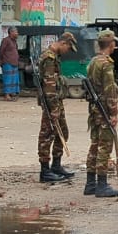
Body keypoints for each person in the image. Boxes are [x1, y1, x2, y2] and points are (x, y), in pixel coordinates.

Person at [83, 30, 118, 198]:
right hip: (104, 109)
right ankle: (102, 184)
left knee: (94, 144)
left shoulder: (93, 61)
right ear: (111, 44)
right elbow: (109, 90)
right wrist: (114, 113)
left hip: (94, 109)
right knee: (104, 146)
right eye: (114, 42)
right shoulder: (106, 63)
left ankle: (90, 183)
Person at [38, 32, 78, 181]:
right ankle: (45, 171)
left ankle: (56, 165)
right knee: (47, 135)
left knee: (63, 132)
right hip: (51, 103)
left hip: (56, 101)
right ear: (63, 43)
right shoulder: (49, 58)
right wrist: (54, 109)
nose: (67, 51)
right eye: (68, 48)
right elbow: (49, 85)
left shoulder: (55, 57)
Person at [0, 26, 20, 101]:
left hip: (14, 63)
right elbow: (1, 51)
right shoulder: (6, 40)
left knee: (14, 79)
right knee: (8, 79)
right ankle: (6, 95)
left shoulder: (14, 41)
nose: (17, 33)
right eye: (16, 32)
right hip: (7, 63)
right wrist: (2, 60)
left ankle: (12, 93)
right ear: (11, 32)